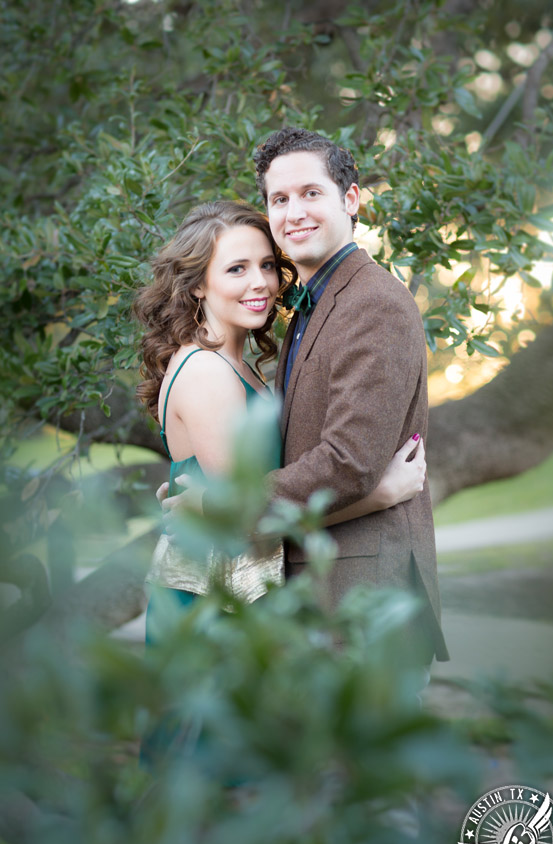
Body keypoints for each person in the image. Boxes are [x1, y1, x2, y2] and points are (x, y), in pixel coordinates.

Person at [136, 200, 428, 643]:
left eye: (267, 265)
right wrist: (378, 495)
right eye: (236, 269)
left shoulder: (233, 363)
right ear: (197, 284)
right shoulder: (207, 373)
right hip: (215, 605)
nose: (260, 283)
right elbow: (244, 523)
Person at [252, 127, 448, 665]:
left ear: (351, 199)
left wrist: (229, 506)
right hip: (326, 595)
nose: (294, 213)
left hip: (366, 604)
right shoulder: (315, 302)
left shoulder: (372, 303)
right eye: (279, 199)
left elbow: (348, 462)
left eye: (311, 193)